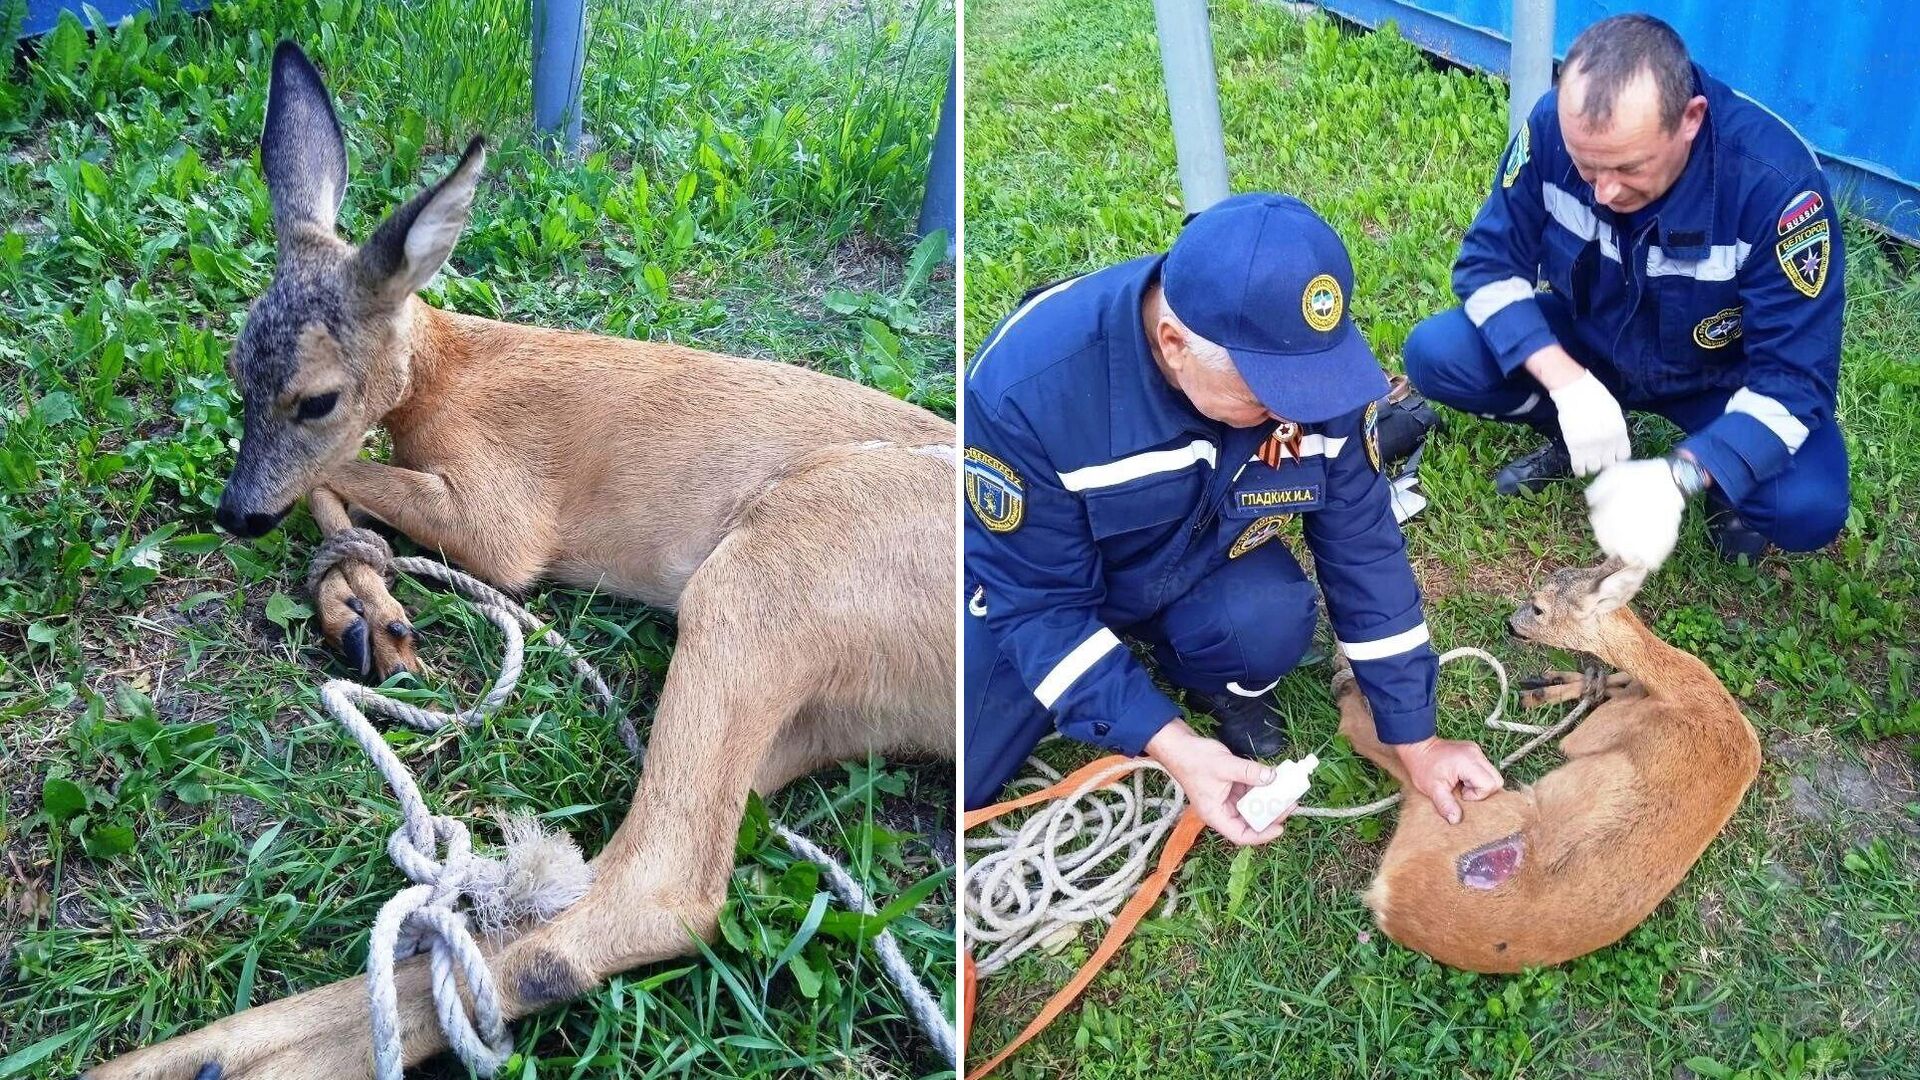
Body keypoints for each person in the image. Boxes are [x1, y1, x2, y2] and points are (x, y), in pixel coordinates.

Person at [962, 193, 1502, 843]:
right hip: (1052, 583)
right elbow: (1040, 606)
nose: (1295, 415)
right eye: (1268, 397)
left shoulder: (1306, 364)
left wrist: (1417, 738)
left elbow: (1365, 553)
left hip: (1196, 562)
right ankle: (1106, 681)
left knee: (1266, 620)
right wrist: (1172, 745)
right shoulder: (1026, 389)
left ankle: (1215, 681)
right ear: (1174, 344)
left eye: (1308, 391)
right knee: (963, 769)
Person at [1402, 14, 1848, 571]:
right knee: (1437, 354)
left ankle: (1721, 481)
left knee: (1807, 503)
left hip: (1716, 380)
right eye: (1587, 168)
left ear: (1690, 119)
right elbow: (1487, 266)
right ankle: (1574, 435)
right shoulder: (1550, 129)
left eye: (1627, 167)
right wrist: (1566, 383)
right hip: (1591, 347)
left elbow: (1793, 383)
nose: (1605, 191)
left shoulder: (1776, 190)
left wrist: (1680, 474)